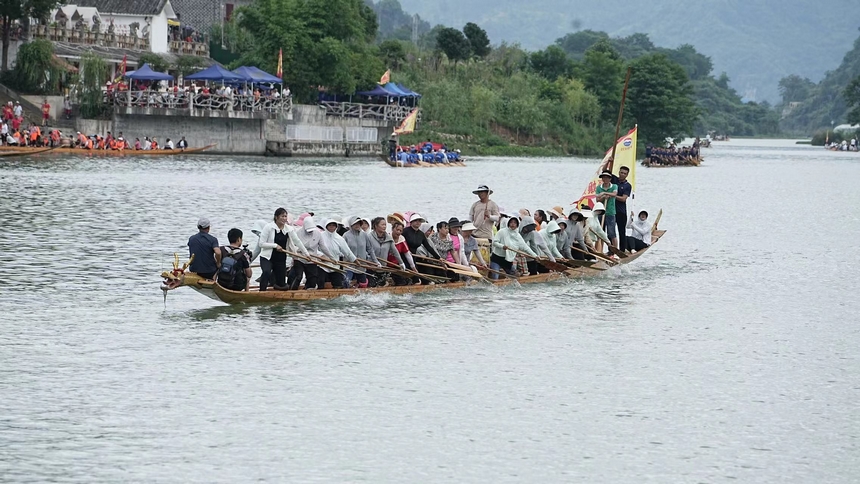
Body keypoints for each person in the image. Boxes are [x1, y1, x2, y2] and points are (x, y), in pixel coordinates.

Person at [258, 208, 308, 291]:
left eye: (285, 216)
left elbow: (298, 242)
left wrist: (306, 254)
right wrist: (275, 246)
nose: (284, 218)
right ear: (276, 217)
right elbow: (261, 244)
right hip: (267, 257)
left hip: (280, 259)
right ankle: (261, 291)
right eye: (282, 216)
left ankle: (275, 290)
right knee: (266, 272)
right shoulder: (268, 227)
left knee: (282, 285)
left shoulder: (289, 229)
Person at [291, 215, 334, 290]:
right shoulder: (298, 233)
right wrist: (299, 251)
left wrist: (331, 257)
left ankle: (307, 290)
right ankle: (293, 290)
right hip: (300, 258)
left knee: (312, 280)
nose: (310, 231)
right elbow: (293, 246)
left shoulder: (317, 234)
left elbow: (323, 247)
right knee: (299, 276)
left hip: (312, 259)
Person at [343, 215, 380, 288]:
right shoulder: (346, 236)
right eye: (355, 224)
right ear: (351, 224)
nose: (357, 225)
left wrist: (376, 262)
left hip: (361, 264)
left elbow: (370, 249)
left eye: (359, 223)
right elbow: (343, 250)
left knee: (363, 284)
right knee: (346, 282)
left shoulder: (364, 235)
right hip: (349, 264)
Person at [320, 218, 356, 289]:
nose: (331, 227)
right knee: (320, 283)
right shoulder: (320, 236)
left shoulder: (339, 238)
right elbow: (316, 249)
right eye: (329, 225)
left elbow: (347, 251)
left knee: (338, 285)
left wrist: (354, 260)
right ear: (326, 226)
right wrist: (321, 255)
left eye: (333, 226)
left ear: (336, 227)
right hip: (322, 264)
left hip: (335, 264)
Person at [609, 165, 632, 251]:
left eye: (624, 173)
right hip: (611, 211)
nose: (622, 174)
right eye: (621, 172)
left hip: (621, 212)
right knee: (610, 232)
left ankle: (622, 250)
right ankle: (611, 250)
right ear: (619, 172)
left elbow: (623, 199)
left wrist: (612, 196)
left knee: (621, 232)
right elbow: (605, 171)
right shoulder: (614, 179)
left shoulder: (627, 186)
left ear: (627, 175)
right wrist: (609, 161)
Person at [594, 170, 618, 250]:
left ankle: (615, 251)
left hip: (610, 212)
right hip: (600, 212)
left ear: (610, 179)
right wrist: (603, 197)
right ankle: (599, 250)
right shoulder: (599, 187)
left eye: (607, 178)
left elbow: (614, 194)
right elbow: (597, 199)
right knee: (600, 232)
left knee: (612, 233)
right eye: (604, 178)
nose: (605, 179)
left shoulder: (614, 186)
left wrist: (604, 194)